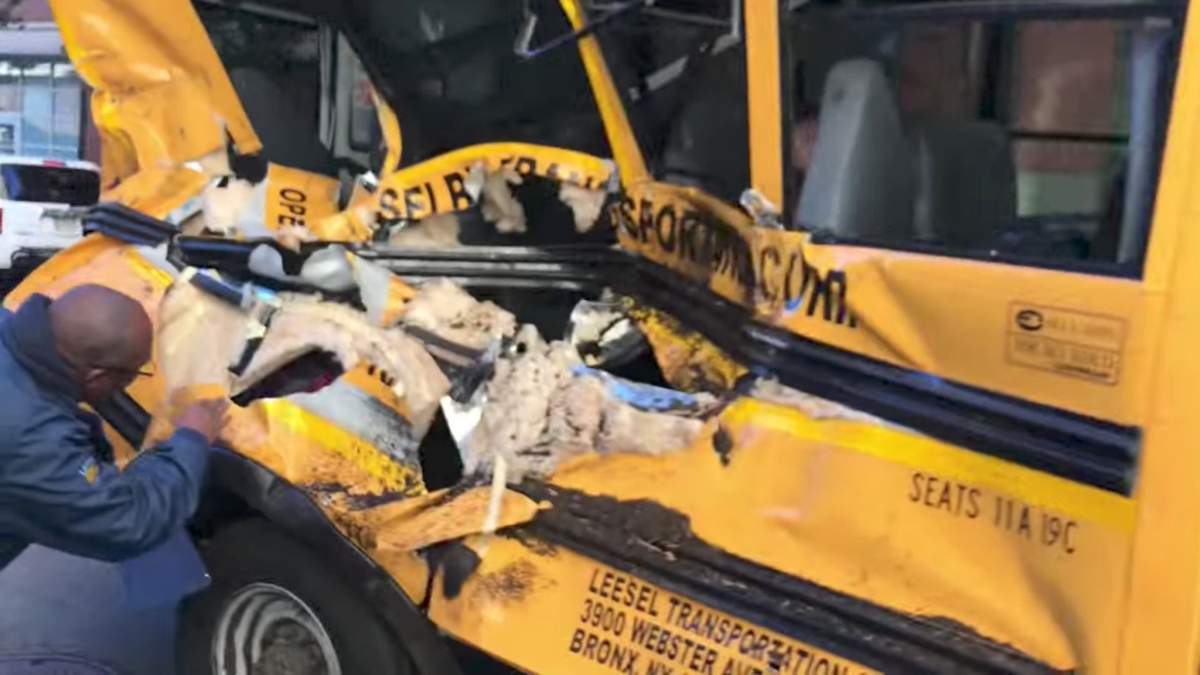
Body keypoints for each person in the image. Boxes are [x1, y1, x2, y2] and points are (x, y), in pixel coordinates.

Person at [0, 285, 227, 572]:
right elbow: (131, 521)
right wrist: (191, 440)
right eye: (133, 373)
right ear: (97, 377)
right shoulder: (32, 442)